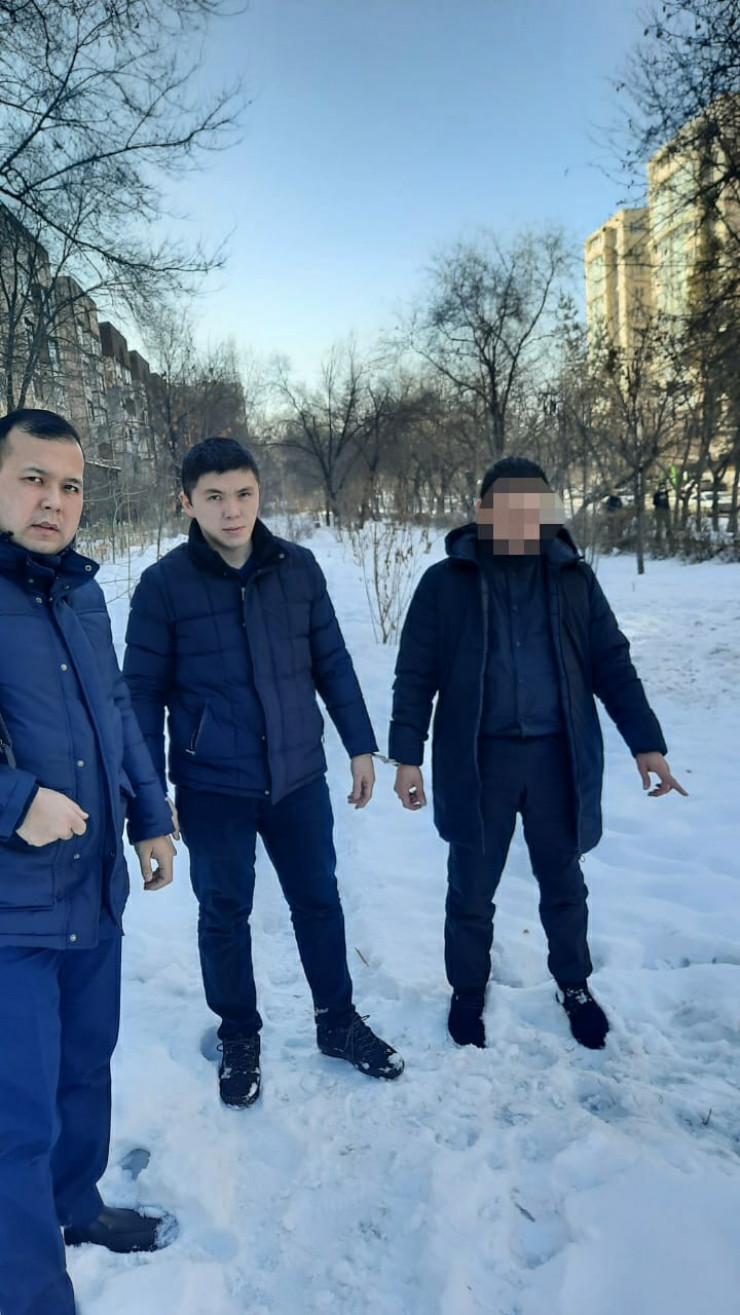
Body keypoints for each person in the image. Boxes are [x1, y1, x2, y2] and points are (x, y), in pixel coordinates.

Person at [124, 437, 403, 1108]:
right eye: (214, 497)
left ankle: (337, 1021)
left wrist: (359, 744)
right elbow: (141, 698)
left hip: (298, 775)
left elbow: (332, 661)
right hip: (212, 786)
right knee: (224, 912)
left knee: (319, 901)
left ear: (260, 493)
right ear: (187, 502)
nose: (232, 510)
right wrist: (151, 800)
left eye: (244, 494)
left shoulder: (298, 569)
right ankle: (238, 1034)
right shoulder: (164, 586)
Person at [389, 456, 687, 1052]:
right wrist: (407, 756)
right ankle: (467, 991)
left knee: (565, 884)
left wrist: (647, 743)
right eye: (508, 506)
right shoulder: (446, 583)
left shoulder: (573, 578)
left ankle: (573, 985)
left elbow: (612, 664)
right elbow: (416, 674)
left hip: (558, 759)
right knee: (471, 889)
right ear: (483, 511)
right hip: (479, 761)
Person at [0, 409, 177, 1315]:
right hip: (12, 911)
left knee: (84, 1068)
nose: (54, 500)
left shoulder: (82, 594)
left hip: (93, 888)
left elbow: (116, 708)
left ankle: (75, 1205)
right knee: (17, 1120)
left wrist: (152, 814)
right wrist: (14, 801)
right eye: (32, 478)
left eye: (69, 485)